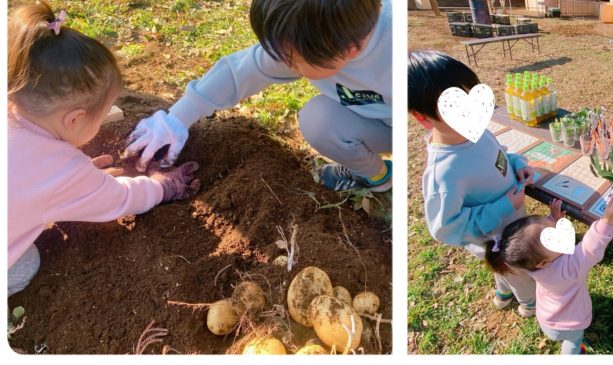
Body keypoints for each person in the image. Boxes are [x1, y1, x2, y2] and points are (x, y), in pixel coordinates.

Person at [7, 2, 199, 296]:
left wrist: (73, 186)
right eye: (104, 112)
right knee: (26, 262)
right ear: (75, 119)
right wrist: (164, 187)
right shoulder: (61, 170)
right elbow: (122, 199)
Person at [124, 0, 391, 193]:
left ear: (349, 50)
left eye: (291, 60)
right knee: (318, 119)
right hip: (369, 120)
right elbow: (242, 71)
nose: (281, 62)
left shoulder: (394, 52)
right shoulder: (312, 36)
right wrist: (177, 118)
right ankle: (378, 176)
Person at [409, 49, 538, 317]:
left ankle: (503, 294)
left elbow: (500, 154)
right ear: (422, 117)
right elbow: (445, 227)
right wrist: (504, 206)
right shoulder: (444, 173)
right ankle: (530, 305)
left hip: (512, 224)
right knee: (520, 272)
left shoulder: (476, 132)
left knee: (505, 269)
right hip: (495, 237)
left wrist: (517, 165)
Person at [485, 191, 613, 354]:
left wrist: (554, 218)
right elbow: (589, 248)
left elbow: (536, 239)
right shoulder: (569, 269)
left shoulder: (532, 265)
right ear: (543, 262)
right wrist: (607, 220)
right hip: (571, 324)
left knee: (566, 337)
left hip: (547, 318)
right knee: (573, 341)